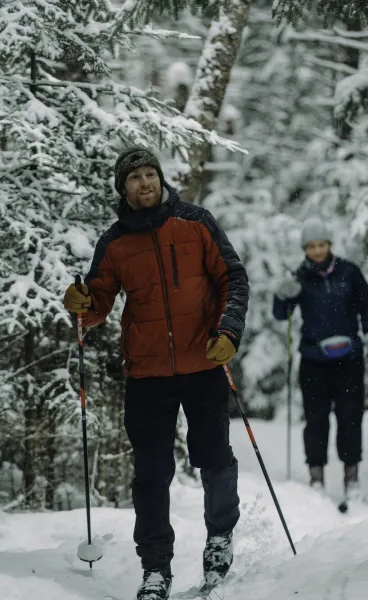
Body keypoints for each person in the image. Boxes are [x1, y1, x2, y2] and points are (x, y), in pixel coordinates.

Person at [62, 146, 249, 600]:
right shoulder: (115, 242)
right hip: (146, 374)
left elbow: (233, 278)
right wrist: (82, 306)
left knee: (214, 458)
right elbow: (98, 303)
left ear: (161, 180)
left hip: (204, 361)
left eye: (150, 174)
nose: (145, 183)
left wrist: (229, 331)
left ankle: (219, 537)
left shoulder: (195, 222)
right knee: (150, 474)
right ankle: (155, 569)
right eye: (134, 178)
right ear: (122, 188)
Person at [272, 220, 368, 497]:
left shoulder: (349, 272)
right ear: (304, 249)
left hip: (350, 357)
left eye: (321, 244)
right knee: (316, 418)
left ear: (329, 244)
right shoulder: (299, 278)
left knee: (350, 416)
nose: (317, 250)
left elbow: (366, 305)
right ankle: (316, 477)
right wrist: (282, 295)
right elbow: (281, 315)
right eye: (311, 246)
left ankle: (351, 476)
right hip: (313, 359)